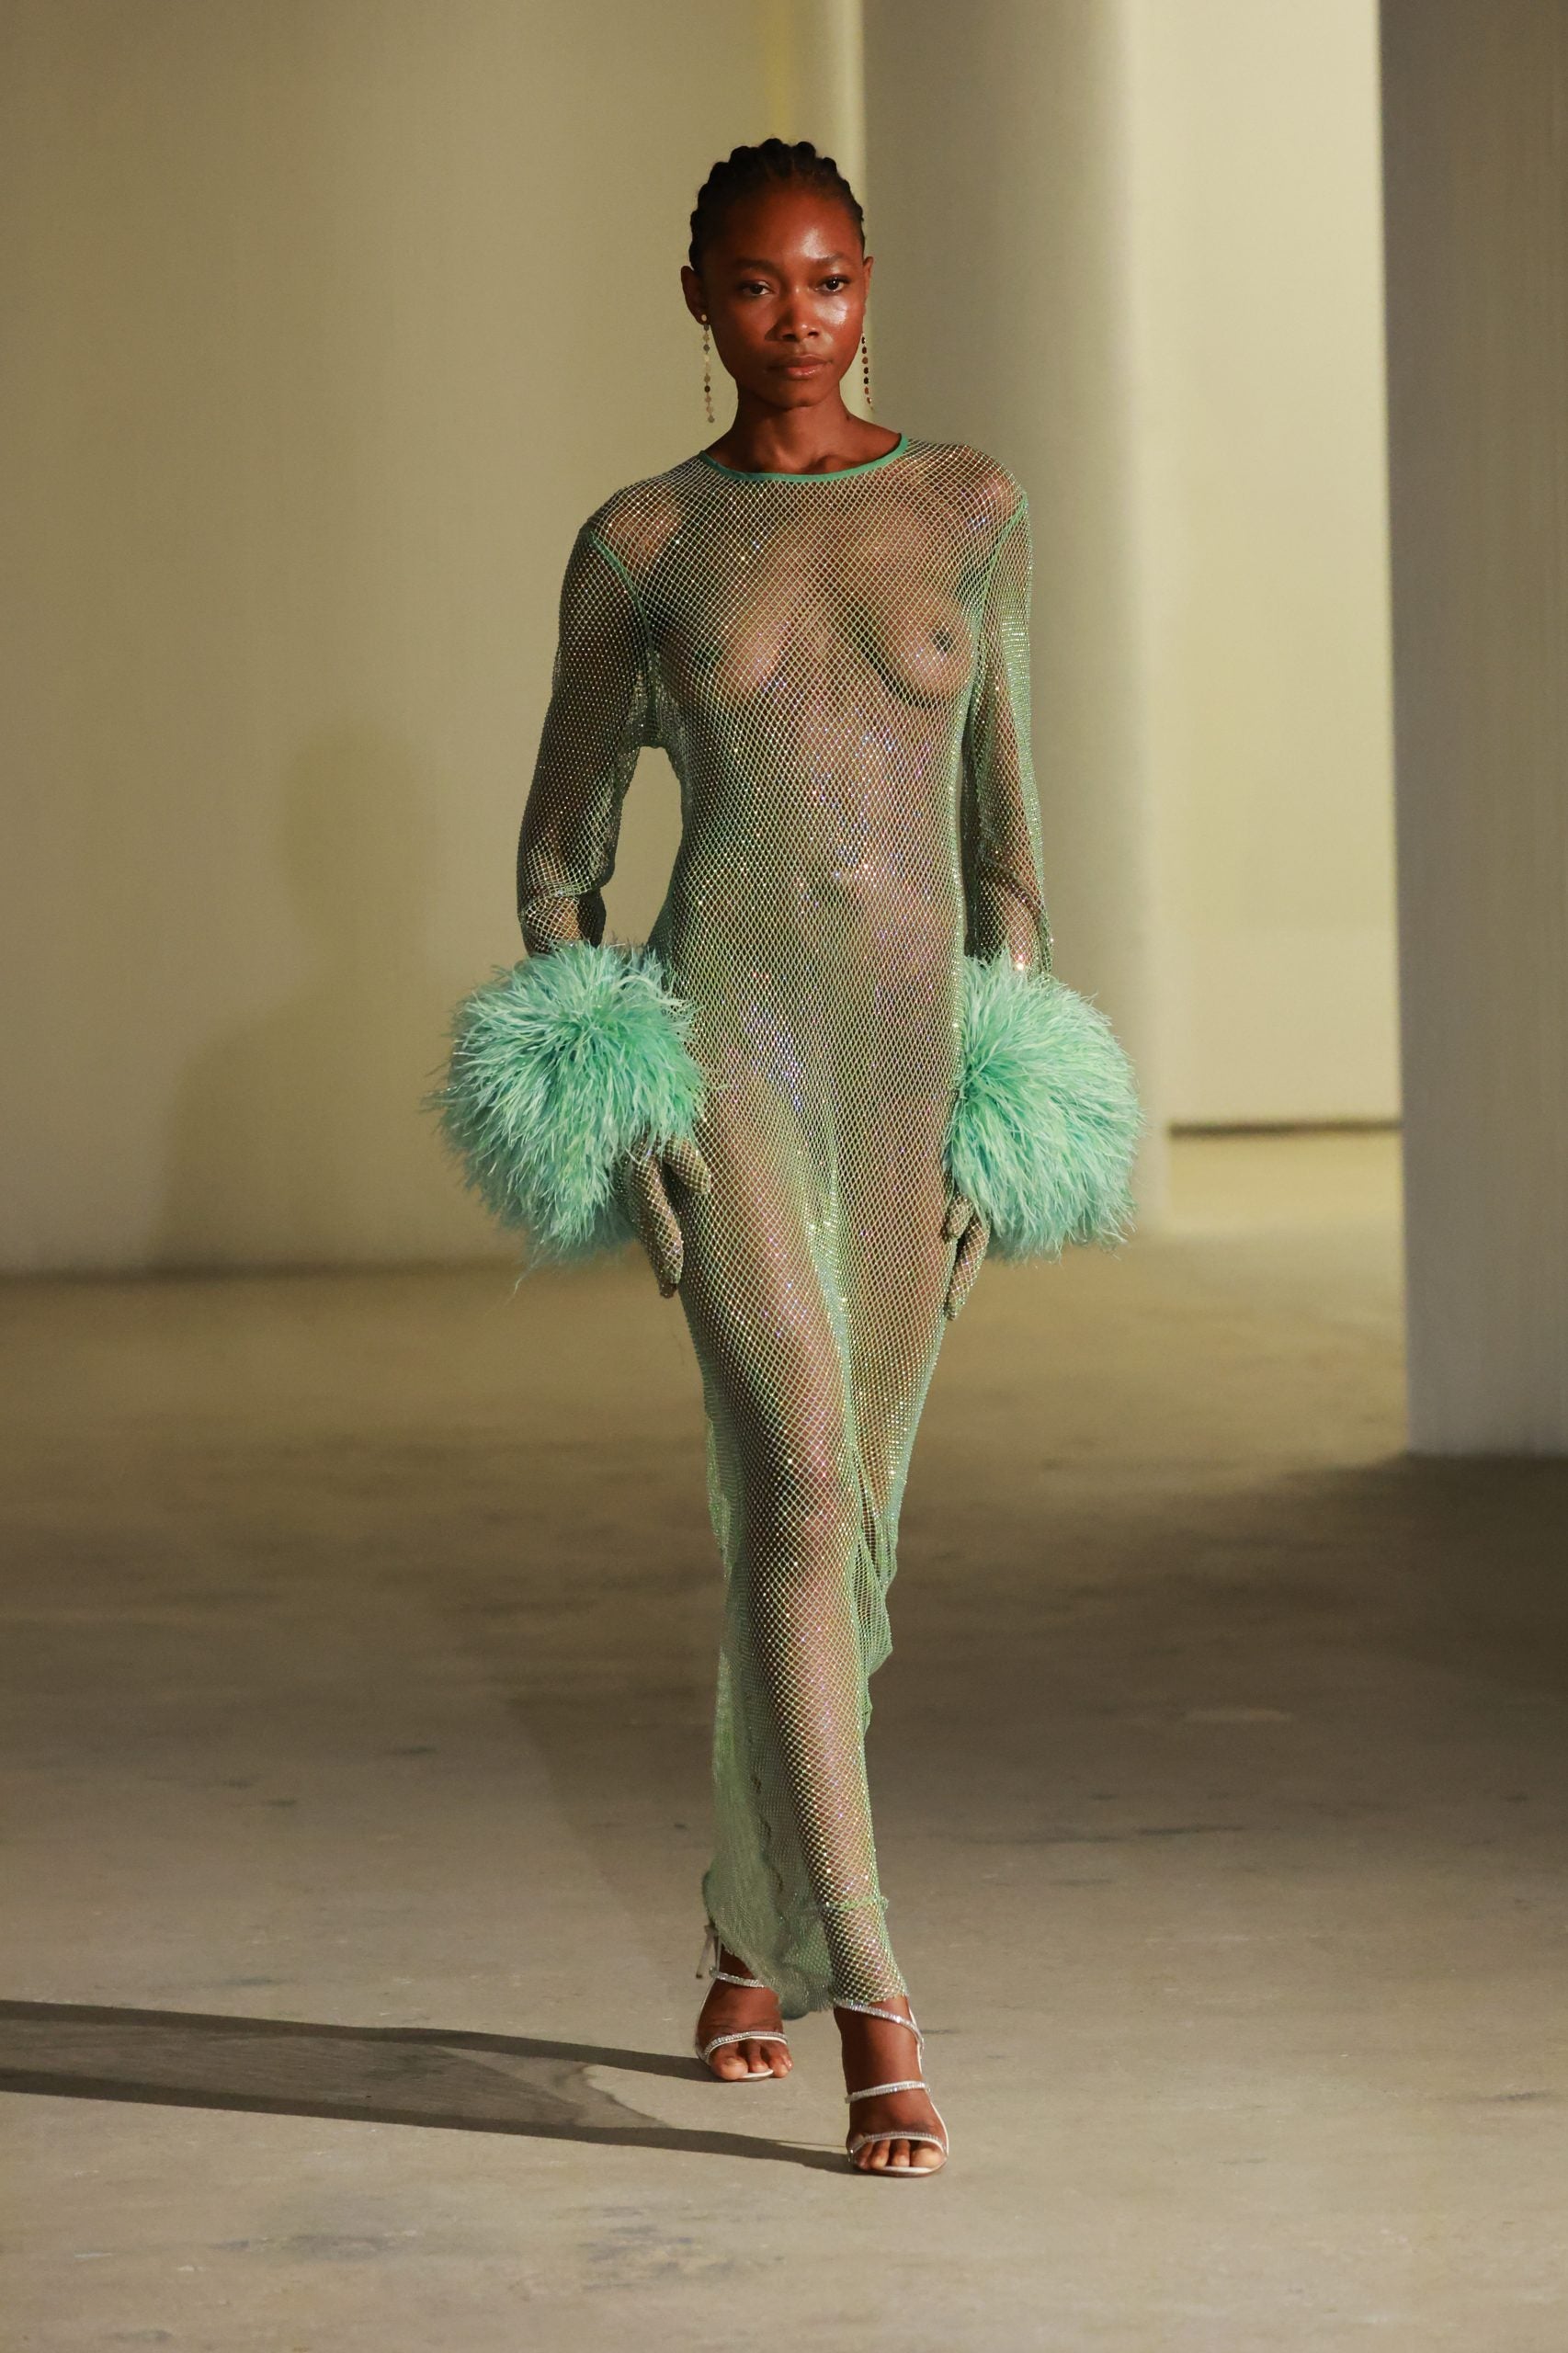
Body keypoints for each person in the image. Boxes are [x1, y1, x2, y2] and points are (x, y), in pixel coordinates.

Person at [438, 136, 1141, 2177]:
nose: (795, 320)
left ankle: (745, 1929)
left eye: (826, 281)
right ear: (697, 297)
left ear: (866, 285)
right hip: (727, 1057)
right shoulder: (644, 541)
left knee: (846, 1524)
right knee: (809, 1479)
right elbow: (557, 857)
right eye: (753, 284)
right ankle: (874, 1994)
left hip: (912, 1069)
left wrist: (1008, 1084)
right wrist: (617, 1097)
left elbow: (1010, 849)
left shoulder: (970, 508)